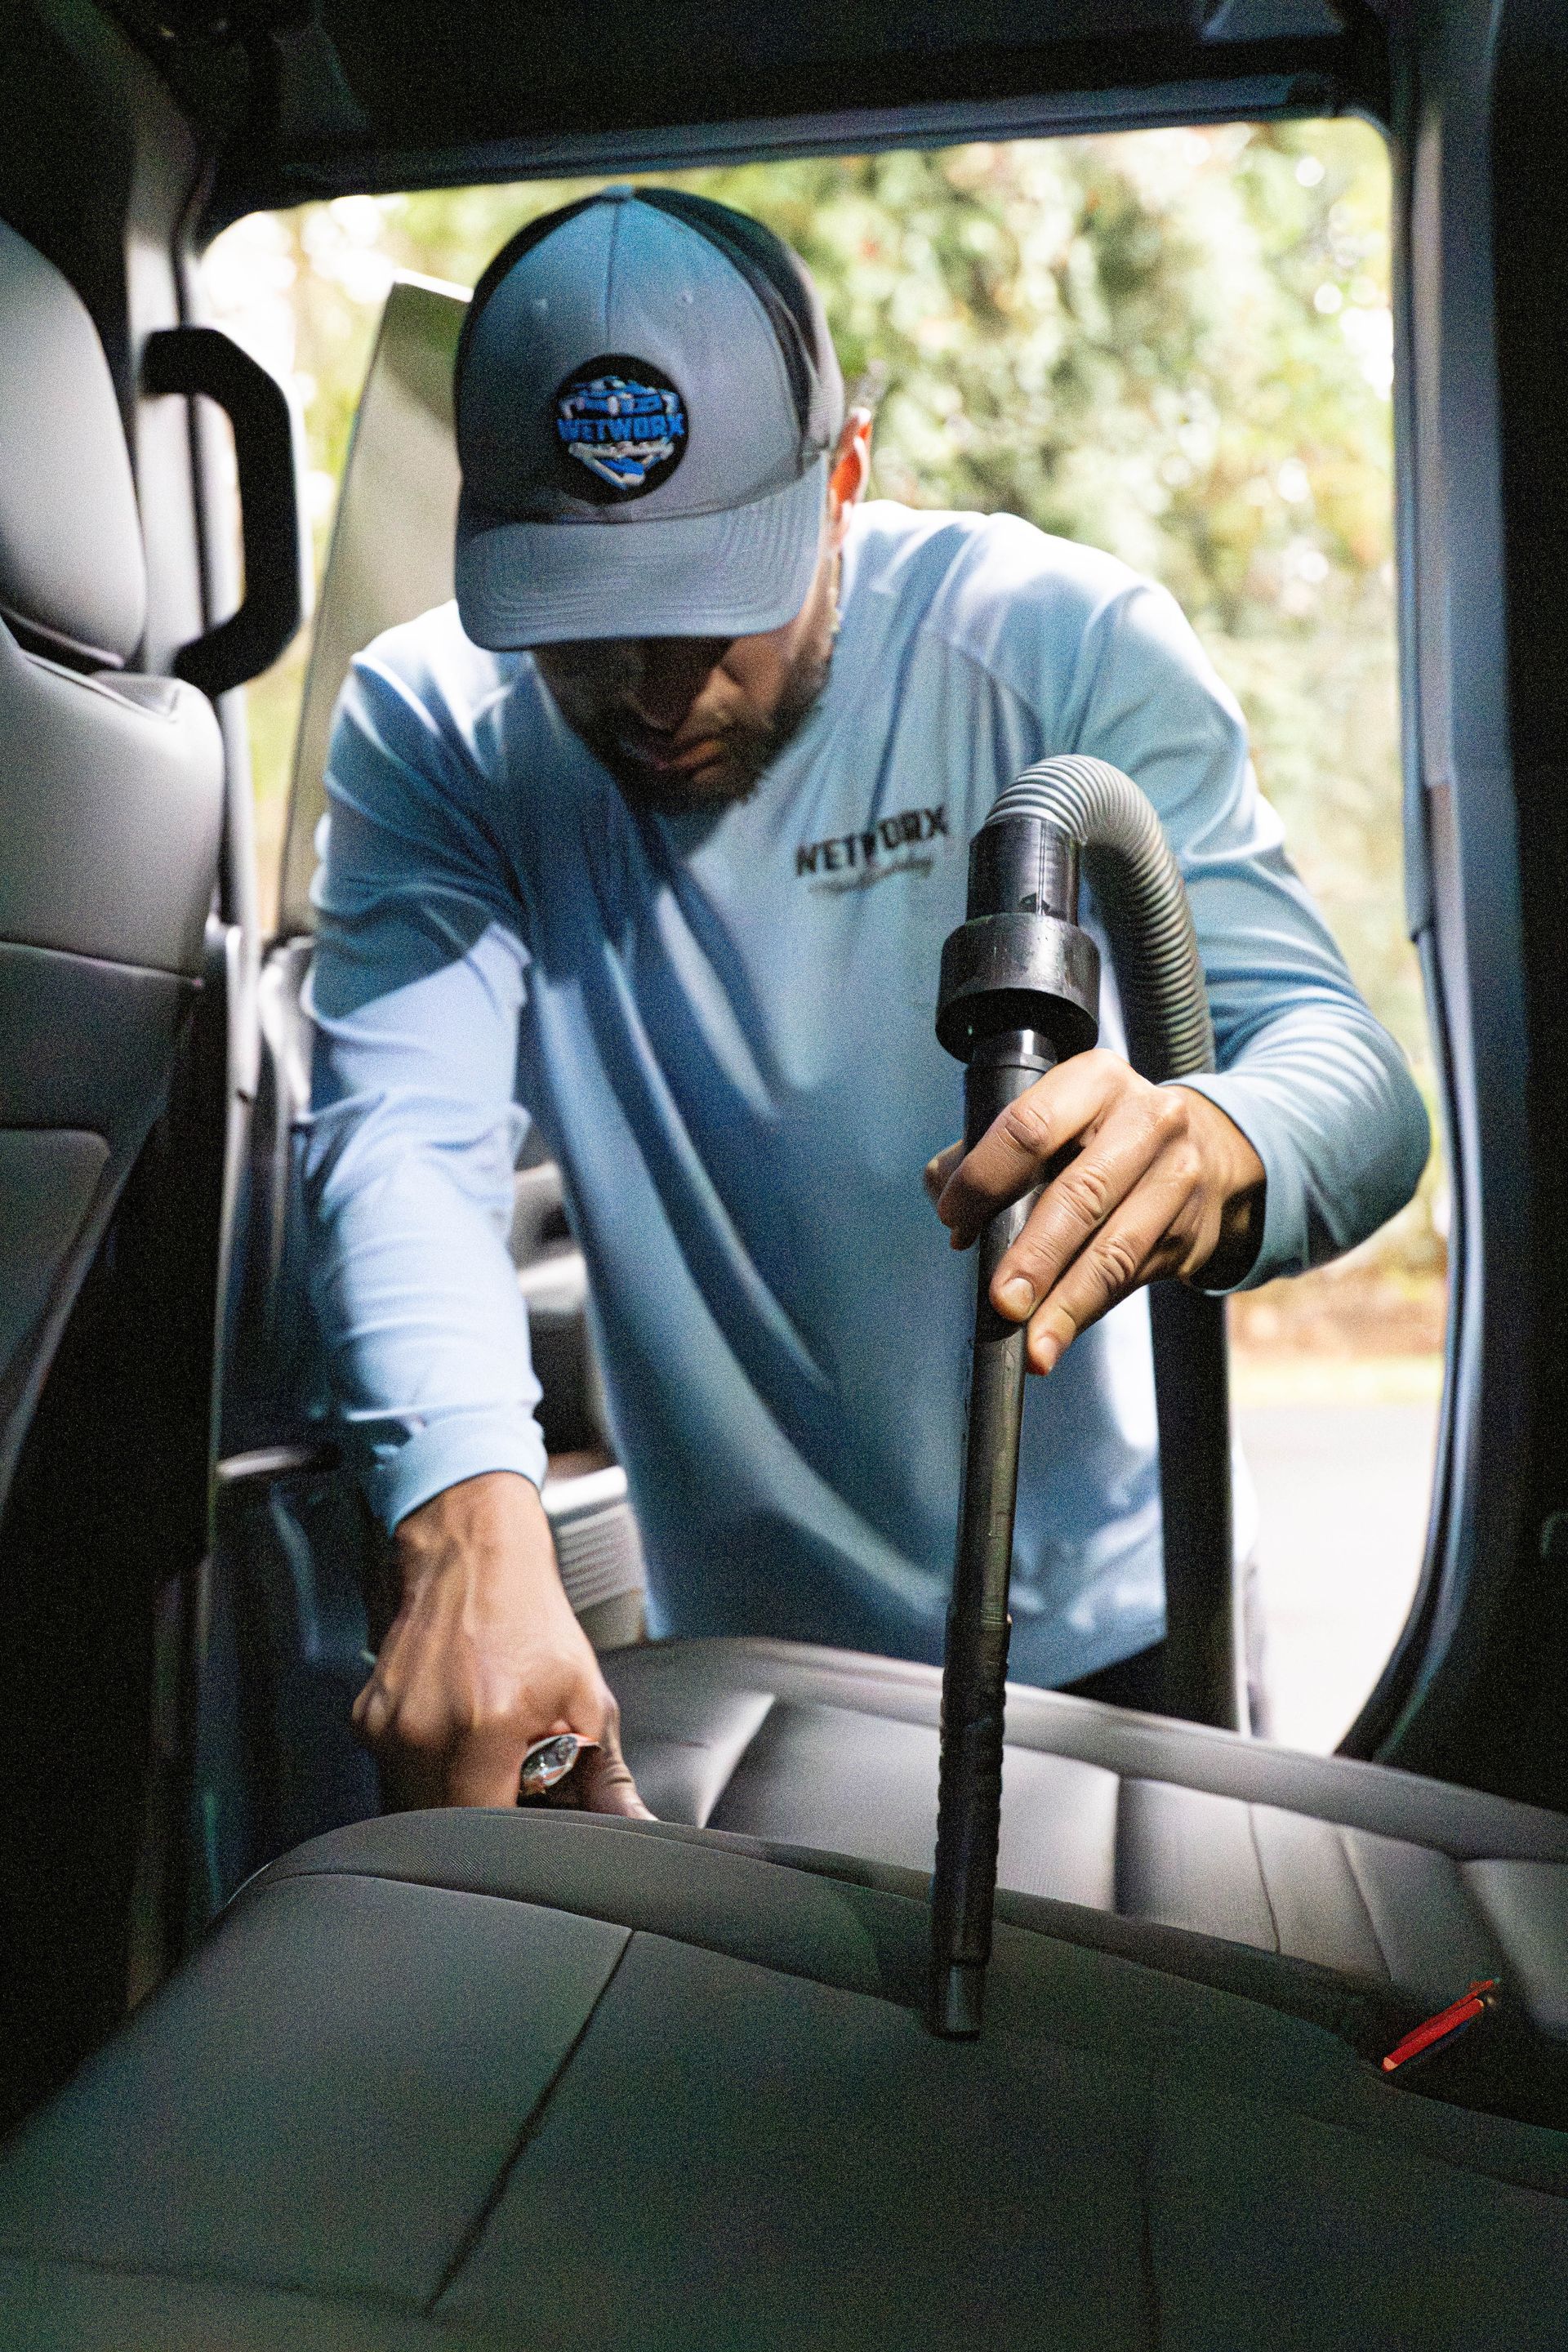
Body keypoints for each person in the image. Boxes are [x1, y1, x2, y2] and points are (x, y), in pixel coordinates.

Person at [303, 186, 1429, 1812]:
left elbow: (1357, 1082)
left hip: (1107, 1625)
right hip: (737, 1650)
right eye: (592, 632)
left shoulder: (1052, 643)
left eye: (719, 608)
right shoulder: (436, 730)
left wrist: (1219, 1137)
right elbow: (402, 1140)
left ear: (844, 480)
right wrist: (468, 1521)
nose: (663, 691)